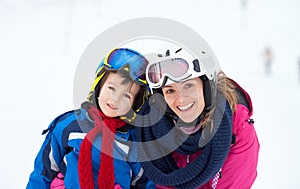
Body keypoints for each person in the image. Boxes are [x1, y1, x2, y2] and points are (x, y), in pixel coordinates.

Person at [26, 48, 155, 189]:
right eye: (111, 88)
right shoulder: (69, 126)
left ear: (135, 104)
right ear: (98, 87)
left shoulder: (134, 140)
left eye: (126, 96)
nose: (115, 99)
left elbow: (143, 182)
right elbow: (43, 172)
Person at [136, 44, 260, 189]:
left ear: (207, 86)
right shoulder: (156, 129)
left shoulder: (236, 126)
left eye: (188, 86)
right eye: (170, 91)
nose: (181, 99)